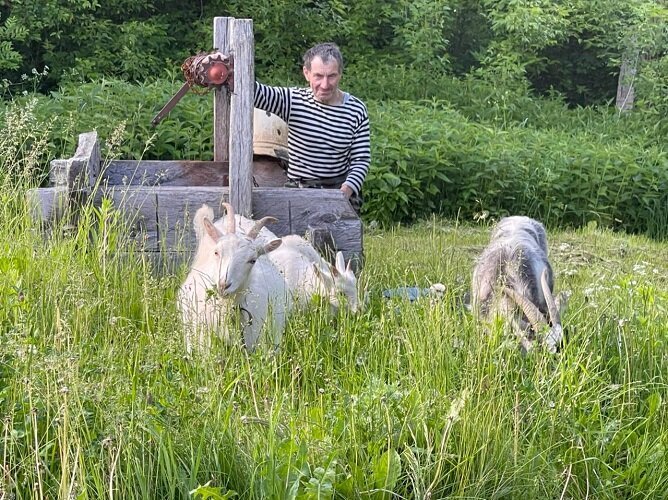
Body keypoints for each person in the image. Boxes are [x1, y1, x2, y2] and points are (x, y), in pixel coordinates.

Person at [254, 42, 370, 214]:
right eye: (318, 76)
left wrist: (343, 194)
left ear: (340, 75)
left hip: (339, 189)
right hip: (299, 188)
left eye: (331, 76)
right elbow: (255, 93)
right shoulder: (293, 100)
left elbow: (361, 160)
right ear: (306, 73)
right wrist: (226, 71)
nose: (325, 84)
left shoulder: (356, 110)